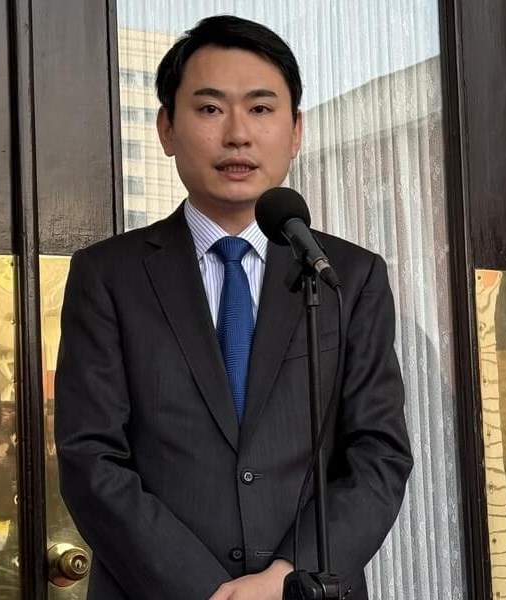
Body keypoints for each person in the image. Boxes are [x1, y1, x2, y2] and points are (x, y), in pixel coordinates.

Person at [55, 15, 412, 600]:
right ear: (167, 129)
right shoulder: (107, 276)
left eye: (262, 108)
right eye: (210, 108)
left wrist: (285, 578)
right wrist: (205, 591)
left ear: (296, 131)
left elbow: (378, 454)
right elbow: (90, 458)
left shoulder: (347, 276)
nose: (238, 134)